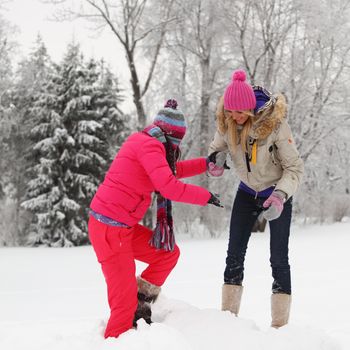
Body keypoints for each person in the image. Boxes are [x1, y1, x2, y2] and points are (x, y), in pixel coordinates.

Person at [88, 99, 223, 338]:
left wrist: (205, 164)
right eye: (177, 142)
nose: (176, 147)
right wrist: (205, 196)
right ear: (171, 136)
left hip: (122, 228)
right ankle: (116, 337)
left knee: (167, 254)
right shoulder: (149, 146)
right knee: (122, 307)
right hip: (109, 230)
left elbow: (170, 171)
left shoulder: (149, 144)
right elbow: (169, 186)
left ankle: (140, 303)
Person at [208, 70, 304, 328]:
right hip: (246, 193)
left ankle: (280, 327)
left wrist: (280, 195)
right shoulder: (226, 122)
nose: (234, 118)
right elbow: (217, 147)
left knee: (278, 257)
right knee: (234, 255)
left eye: (239, 113)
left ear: (250, 109)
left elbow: (294, 168)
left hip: (276, 193)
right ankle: (227, 321)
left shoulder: (274, 125)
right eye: (230, 113)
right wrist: (214, 160)